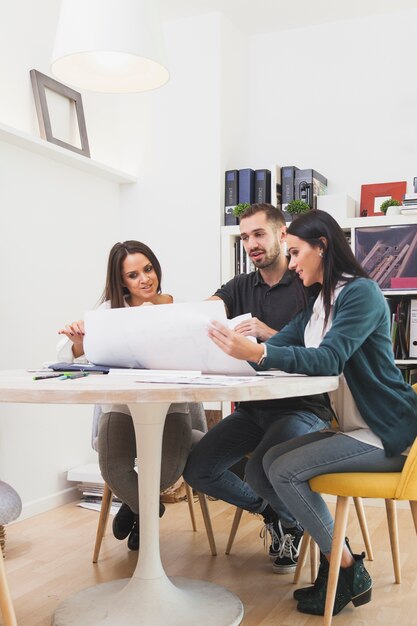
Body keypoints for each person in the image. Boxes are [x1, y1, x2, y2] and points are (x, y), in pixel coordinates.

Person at [207, 209, 417, 616]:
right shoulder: (318, 304)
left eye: (297, 252)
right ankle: (341, 558)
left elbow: (329, 358)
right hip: (354, 429)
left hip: (386, 432)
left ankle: (344, 565)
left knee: (283, 470)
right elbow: (279, 350)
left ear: (322, 248)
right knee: (258, 468)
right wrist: (228, 348)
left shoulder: (360, 293)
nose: (294, 262)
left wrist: (262, 351)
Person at [184, 203, 334, 573]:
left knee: (262, 469)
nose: (251, 243)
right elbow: (205, 312)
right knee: (198, 470)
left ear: (282, 236)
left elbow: (323, 351)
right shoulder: (239, 286)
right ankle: (277, 513)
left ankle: (295, 521)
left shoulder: (307, 282)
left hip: (303, 407)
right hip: (252, 409)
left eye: (258, 234)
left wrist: (268, 337)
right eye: (244, 236)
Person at [57, 240, 190, 551]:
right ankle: (148, 510)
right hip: (123, 406)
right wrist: (78, 342)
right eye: (133, 275)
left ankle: (134, 508)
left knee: (168, 471)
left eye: (148, 269)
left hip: (171, 406)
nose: (144, 279)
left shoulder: (181, 307)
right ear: (121, 281)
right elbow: (74, 356)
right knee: (114, 468)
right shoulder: (108, 313)